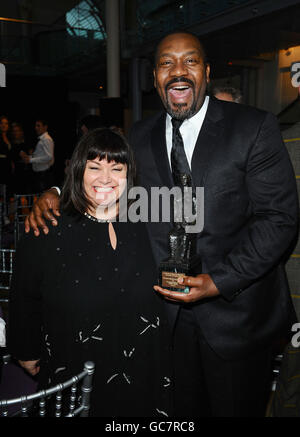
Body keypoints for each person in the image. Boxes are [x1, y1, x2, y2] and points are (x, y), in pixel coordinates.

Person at [24, 31, 299, 417]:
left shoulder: (253, 127)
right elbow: (106, 181)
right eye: (167, 63)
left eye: (190, 61)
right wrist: (54, 190)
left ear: (206, 71)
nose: (178, 71)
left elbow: (280, 221)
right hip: (163, 326)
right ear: (155, 77)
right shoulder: (139, 135)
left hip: (239, 321)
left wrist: (218, 282)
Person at [8, 128, 172, 417]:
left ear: (130, 174)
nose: (106, 178)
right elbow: (24, 296)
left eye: (116, 168)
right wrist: (26, 350)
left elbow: (196, 206)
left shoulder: (150, 223)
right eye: (94, 167)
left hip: (146, 370)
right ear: (78, 170)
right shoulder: (47, 229)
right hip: (75, 373)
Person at [20, 119, 55, 193]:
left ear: (45, 127)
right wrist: (28, 158)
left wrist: (30, 160)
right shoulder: (42, 139)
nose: (36, 128)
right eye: (36, 126)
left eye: (38, 126)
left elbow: (49, 157)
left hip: (44, 174)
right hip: (40, 174)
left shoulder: (46, 139)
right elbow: (41, 155)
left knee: (42, 197)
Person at [10, 123, 34, 194]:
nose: (15, 133)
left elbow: (30, 155)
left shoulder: (27, 143)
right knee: (17, 193)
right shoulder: (11, 144)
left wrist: (27, 156)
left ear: (21, 132)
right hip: (17, 173)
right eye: (14, 131)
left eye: (17, 131)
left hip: (28, 172)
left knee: (29, 194)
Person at [0, 115, 13, 195]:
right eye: (1, 123)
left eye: (6, 123)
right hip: (0, 165)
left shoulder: (10, 137)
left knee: (7, 191)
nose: (4, 125)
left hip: (7, 166)